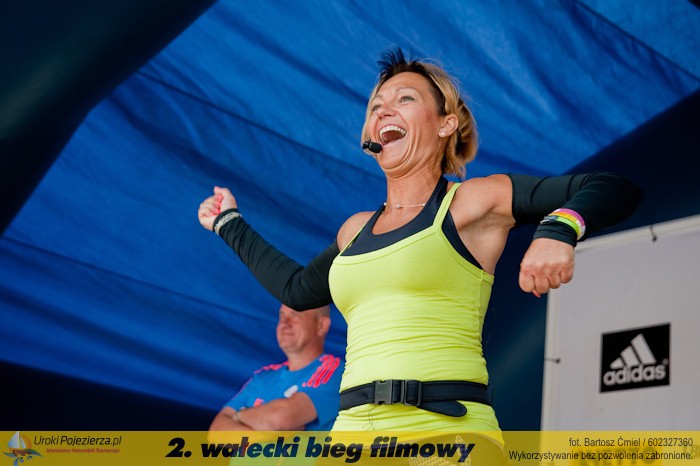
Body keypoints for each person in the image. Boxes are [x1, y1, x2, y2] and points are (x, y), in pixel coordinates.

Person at [198, 49, 642, 441]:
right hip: (350, 439)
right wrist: (228, 223)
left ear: (447, 123)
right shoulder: (354, 230)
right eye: (376, 106)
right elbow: (296, 289)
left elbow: (613, 186)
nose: (384, 110)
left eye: (405, 99)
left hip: (445, 435)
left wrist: (558, 230)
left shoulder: (470, 202)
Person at [209, 303, 343, 432]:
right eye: (281, 316)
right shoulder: (262, 376)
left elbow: (280, 418)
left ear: (321, 325)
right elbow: (216, 430)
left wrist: (239, 415)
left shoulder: (337, 371)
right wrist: (263, 437)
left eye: (295, 315)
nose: (285, 323)